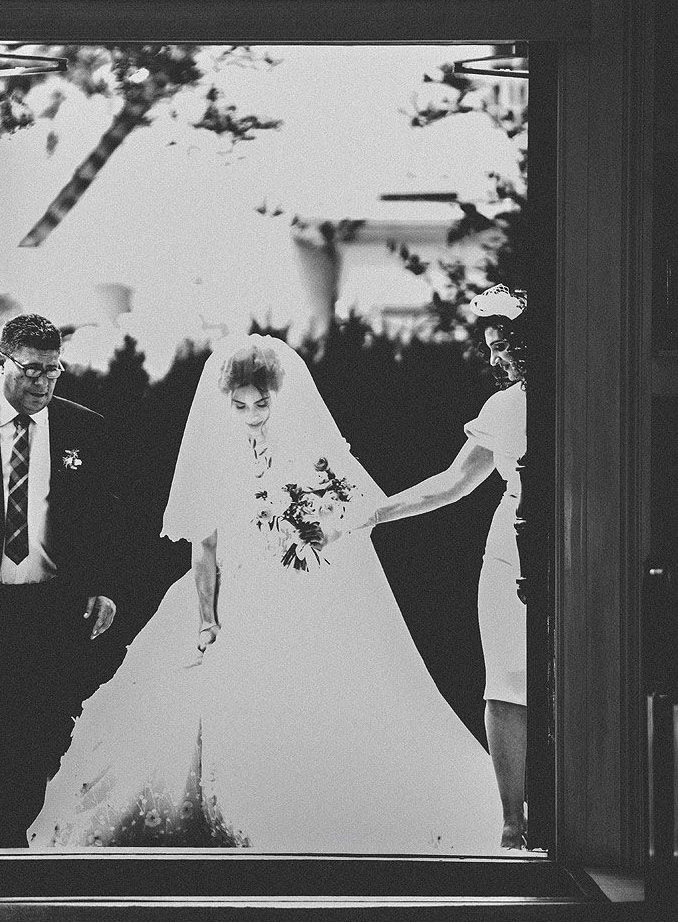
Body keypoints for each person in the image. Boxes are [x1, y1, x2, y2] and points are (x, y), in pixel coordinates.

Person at [28, 334, 503, 854]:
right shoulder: (213, 456)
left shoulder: (308, 449)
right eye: (240, 405)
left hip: (299, 594)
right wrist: (206, 619)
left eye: (261, 403)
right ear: (224, 403)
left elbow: (354, 512)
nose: (252, 414)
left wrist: (320, 529)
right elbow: (203, 549)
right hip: (232, 594)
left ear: (278, 395)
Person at [362, 285, 528, 850]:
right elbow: (453, 484)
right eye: (490, 347)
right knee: (505, 680)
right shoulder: (503, 408)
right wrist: (375, 512)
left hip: (576, 547)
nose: (495, 358)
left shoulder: (581, 398)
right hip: (511, 549)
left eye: (502, 345)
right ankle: (513, 821)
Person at [0, 313, 122, 847]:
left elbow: (103, 517)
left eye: (53, 370)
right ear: (2, 363)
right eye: (31, 370)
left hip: (51, 603)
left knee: (45, 725)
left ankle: (20, 837)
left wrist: (104, 584)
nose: (43, 381)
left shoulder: (83, 429)